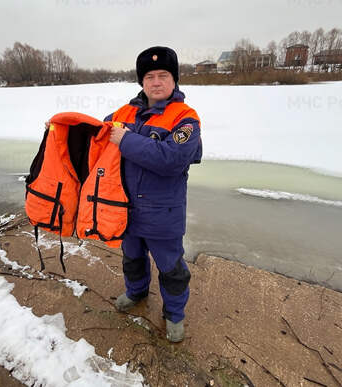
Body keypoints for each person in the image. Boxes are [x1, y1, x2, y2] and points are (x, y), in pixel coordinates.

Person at [106, 46, 202, 343]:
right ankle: (135, 293)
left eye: (163, 75)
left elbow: (171, 159)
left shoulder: (186, 118)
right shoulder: (123, 113)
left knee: (171, 268)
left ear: (174, 80)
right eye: (149, 76)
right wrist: (60, 126)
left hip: (163, 214)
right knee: (132, 258)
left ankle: (174, 313)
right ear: (141, 81)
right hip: (127, 210)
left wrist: (126, 140)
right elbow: (93, 133)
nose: (156, 82)